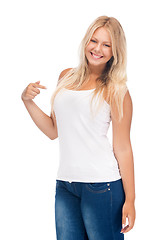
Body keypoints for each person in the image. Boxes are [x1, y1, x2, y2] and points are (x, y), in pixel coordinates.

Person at [21, 15, 136, 240]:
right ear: (86, 41)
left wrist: (130, 199)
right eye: (94, 41)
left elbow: (123, 148)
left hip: (103, 186)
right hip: (66, 185)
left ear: (115, 51)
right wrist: (27, 101)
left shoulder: (116, 90)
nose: (97, 49)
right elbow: (54, 131)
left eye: (106, 45)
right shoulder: (66, 77)